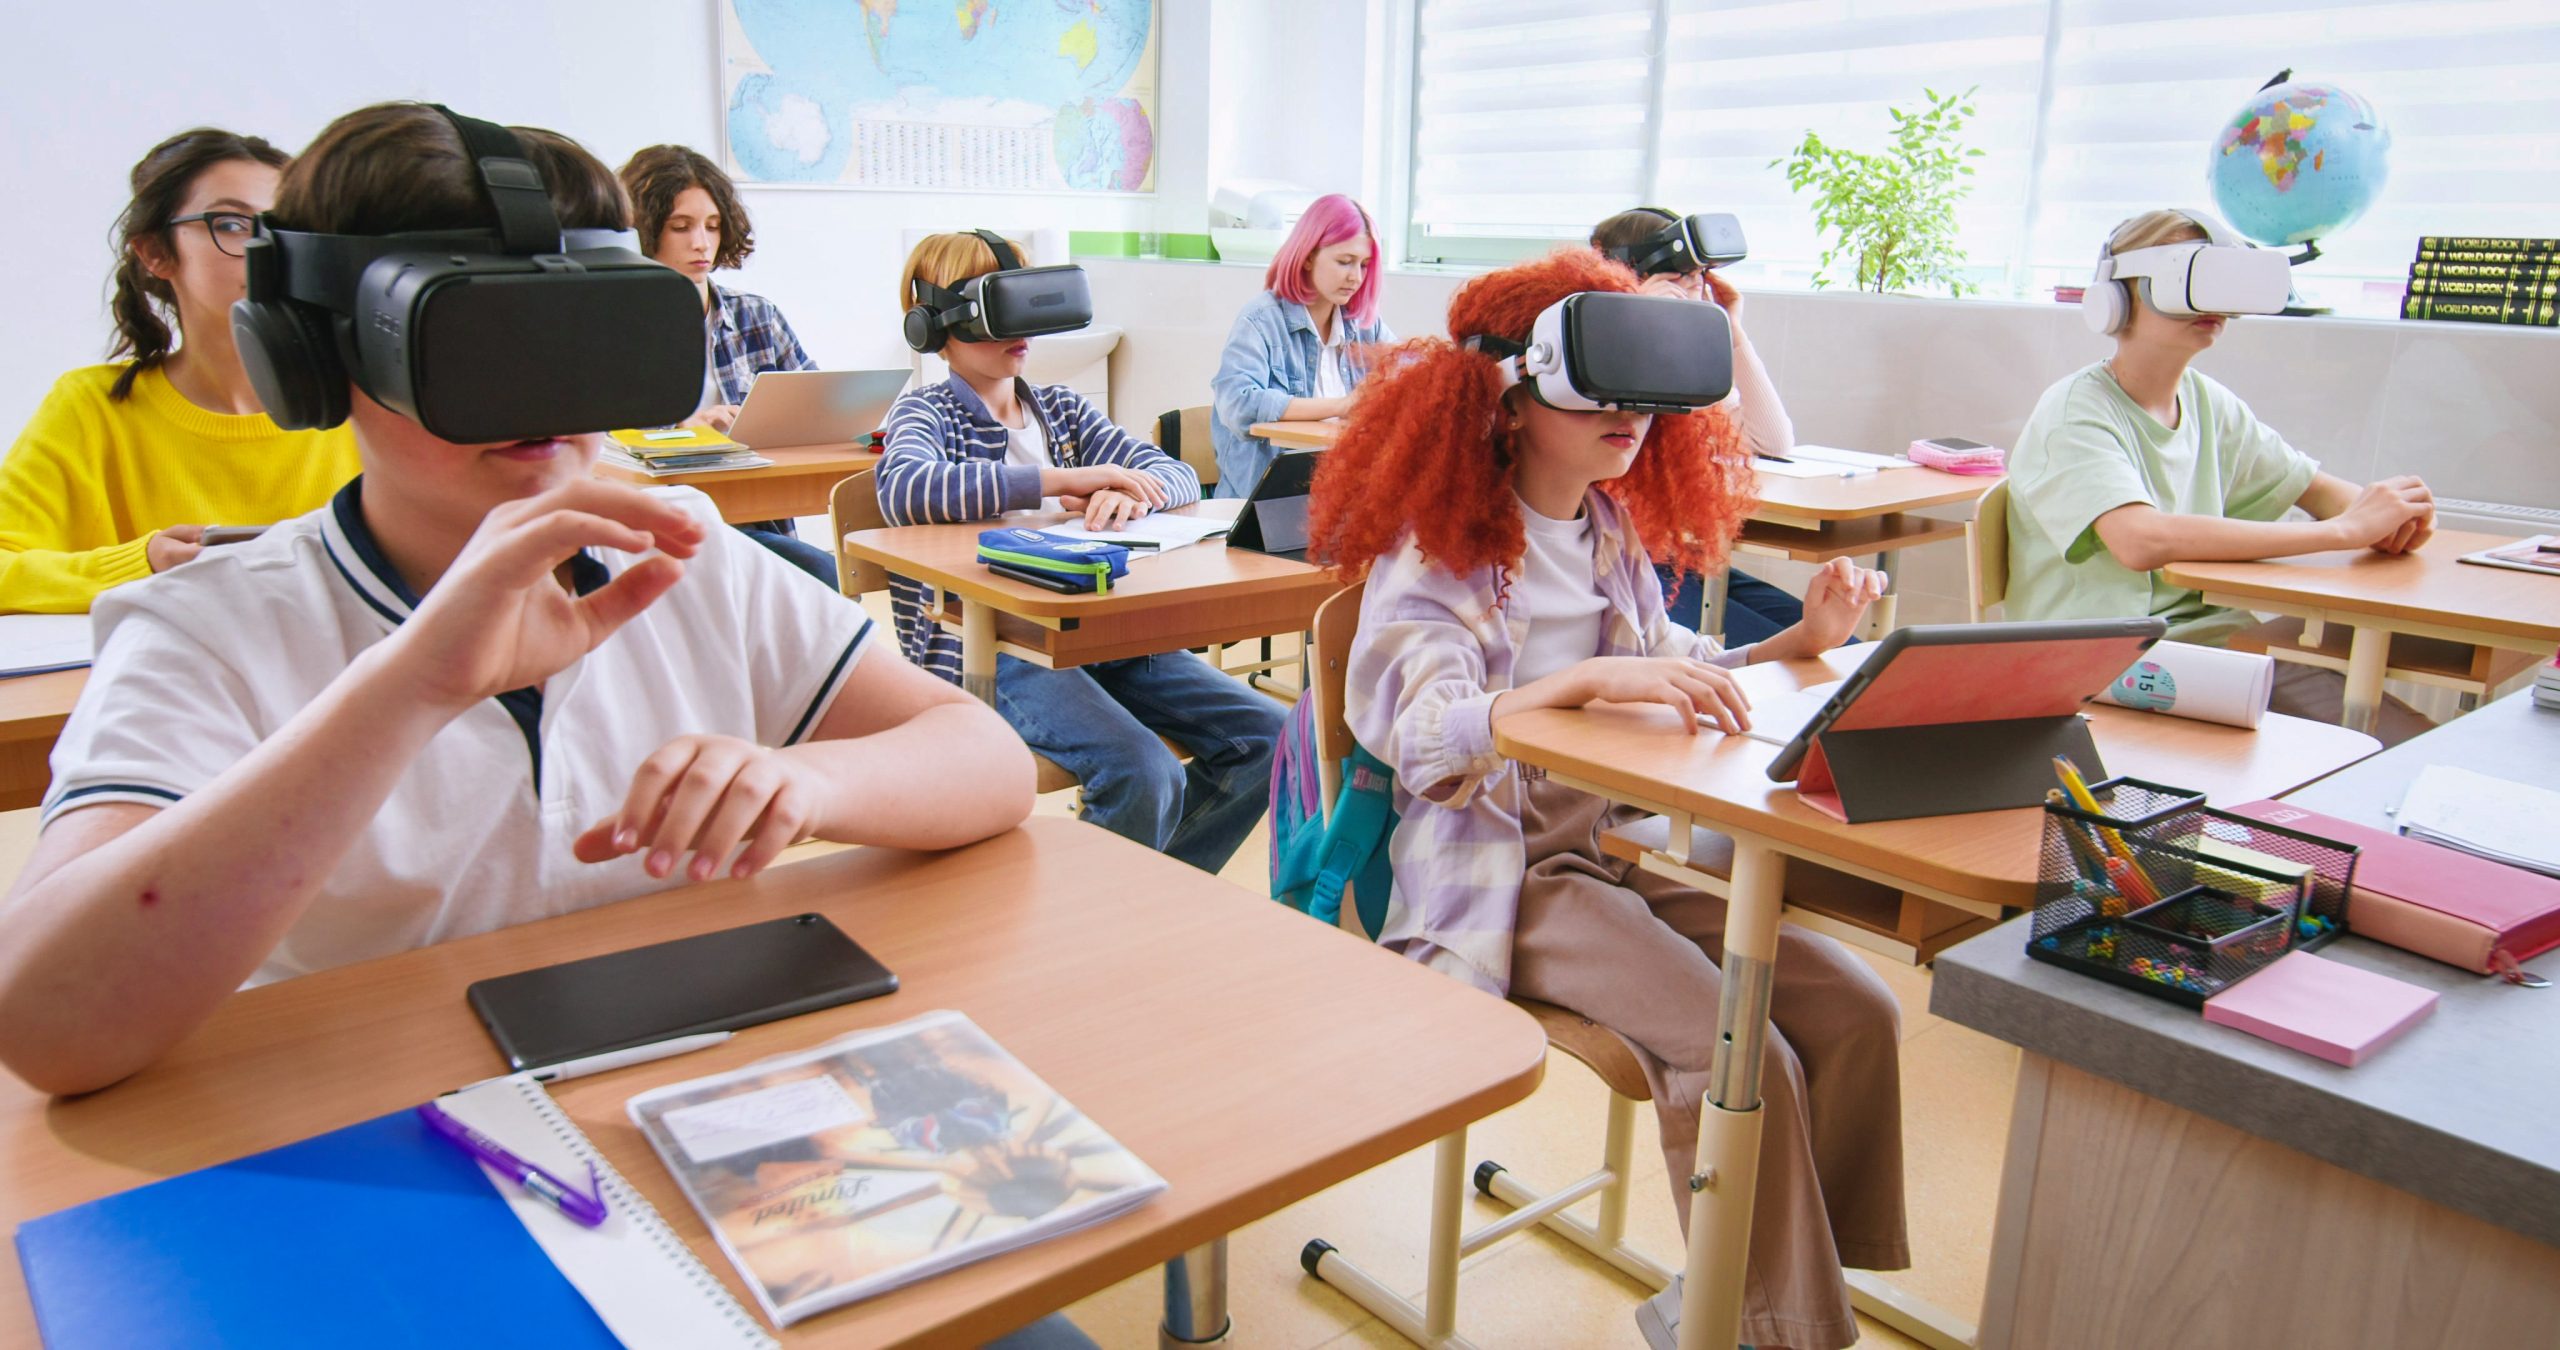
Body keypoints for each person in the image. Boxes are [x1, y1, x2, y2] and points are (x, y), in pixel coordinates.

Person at [0, 104, 1034, 1100]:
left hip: (685, 1096)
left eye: (581, 329)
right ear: (317, 356)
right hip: (377, 1143)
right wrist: (404, 690)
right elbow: (49, 1024)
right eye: (476, 339)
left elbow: (983, 761)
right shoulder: (207, 627)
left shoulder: (681, 554)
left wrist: (806, 781)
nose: (541, 393)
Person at [1310, 248, 1904, 1350]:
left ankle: (1779, 1279)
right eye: (1601, 387)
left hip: (1603, 856)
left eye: (1645, 391)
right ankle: (1771, 1326)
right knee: (1744, 1052)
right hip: (1492, 880)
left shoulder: (1604, 531)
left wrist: (1800, 641)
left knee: (1854, 1009)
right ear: (1509, 388)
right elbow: (1420, 736)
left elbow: (1671, 662)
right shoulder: (1435, 555)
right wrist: (1569, 683)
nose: (1628, 416)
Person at [876, 231, 1284, 874]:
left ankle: (1155, 896)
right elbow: (904, 488)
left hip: (1104, 635)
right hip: (999, 651)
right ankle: (1094, 926)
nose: (1022, 331)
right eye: (998, 313)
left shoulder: (1062, 410)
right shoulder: (927, 413)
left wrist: (1133, 496)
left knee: (1272, 738)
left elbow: (1169, 470)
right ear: (935, 326)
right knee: (1143, 770)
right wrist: (1061, 481)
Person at [2006, 207, 2437, 743]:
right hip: (2105, 658)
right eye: (2185, 282)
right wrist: (2345, 532)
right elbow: (2139, 540)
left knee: (2407, 739)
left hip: (2210, 643)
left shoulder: (2209, 403)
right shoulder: (2074, 411)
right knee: (2371, 746)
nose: (2210, 305)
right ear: (2118, 296)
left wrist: (2393, 518)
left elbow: (2319, 491)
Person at [0, 128, 360, 614]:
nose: (264, 250)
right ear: (154, 252)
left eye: (283, 226)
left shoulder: (367, 399)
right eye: (232, 224)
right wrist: (142, 565)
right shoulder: (91, 407)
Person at [616, 143, 836, 585]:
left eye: (713, 226)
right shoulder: (611, 325)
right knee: (820, 576)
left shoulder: (755, 315)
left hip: (751, 516)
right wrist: (687, 432)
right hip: (654, 526)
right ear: (642, 230)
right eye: (681, 227)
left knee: (824, 578)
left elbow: (820, 408)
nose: (702, 243)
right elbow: (599, 448)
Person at [1590, 206, 1804, 642]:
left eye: (1698, 280)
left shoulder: (1686, 363)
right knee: (1787, 659)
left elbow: (1773, 439)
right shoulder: (1589, 362)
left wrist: (1729, 331)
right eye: (1680, 280)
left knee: (1844, 648)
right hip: (1618, 565)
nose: (1693, 292)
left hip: (1676, 559)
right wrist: (1635, 323)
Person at [1208, 193, 1393, 496]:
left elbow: (1407, 374)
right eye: (1344, 262)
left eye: (1364, 265)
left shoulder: (1362, 325)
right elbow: (1238, 404)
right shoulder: (1261, 320)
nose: (1355, 277)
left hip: (1340, 502)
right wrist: (1341, 406)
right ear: (1307, 256)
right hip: (1267, 508)